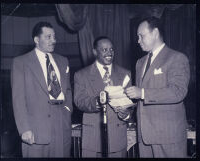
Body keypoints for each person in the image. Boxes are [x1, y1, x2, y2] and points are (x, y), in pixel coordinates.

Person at [125, 17, 190, 158]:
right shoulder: (140, 63)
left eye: (141, 36)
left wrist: (141, 93)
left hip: (167, 136)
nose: (138, 41)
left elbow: (178, 92)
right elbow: (140, 99)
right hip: (144, 137)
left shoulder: (176, 58)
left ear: (155, 33)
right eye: (138, 37)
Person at [11, 21, 73, 157]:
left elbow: (67, 90)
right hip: (36, 128)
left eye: (54, 36)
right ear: (36, 40)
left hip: (62, 124)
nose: (53, 40)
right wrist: (24, 129)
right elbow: (18, 99)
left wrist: (68, 109)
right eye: (48, 37)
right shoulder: (21, 62)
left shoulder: (63, 61)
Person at [74, 36, 133, 158]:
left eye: (111, 49)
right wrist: (97, 102)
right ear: (95, 52)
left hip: (118, 138)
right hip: (93, 139)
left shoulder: (125, 74)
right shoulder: (81, 75)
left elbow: (132, 102)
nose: (109, 53)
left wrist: (126, 113)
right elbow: (79, 101)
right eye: (104, 50)